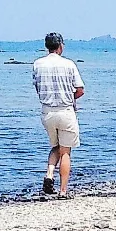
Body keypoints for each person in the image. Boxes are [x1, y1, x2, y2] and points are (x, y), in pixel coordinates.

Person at [31, 31, 84, 198]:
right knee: (65, 152)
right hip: (65, 110)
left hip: (47, 112)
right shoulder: (69, 64)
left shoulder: (37, 64)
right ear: (60, 46)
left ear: (47, 46)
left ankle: (49, 174)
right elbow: (80, 90)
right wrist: (71, 97)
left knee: (55, 147)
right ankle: (62, 191)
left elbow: (37, 87)